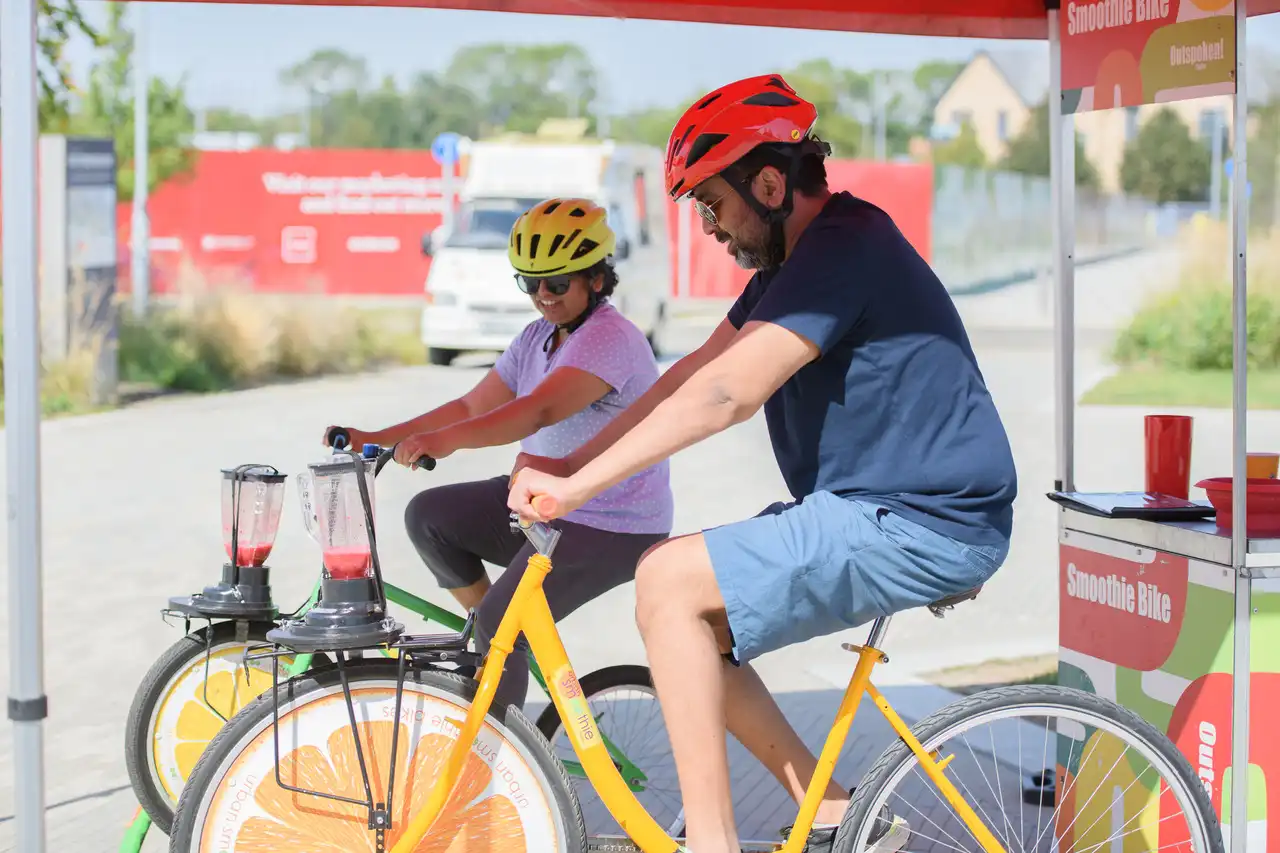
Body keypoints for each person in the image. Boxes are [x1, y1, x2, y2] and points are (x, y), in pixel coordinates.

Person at [508, 75, 1018, 853]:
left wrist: (576, 487)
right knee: (699, 623)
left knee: (667, 580)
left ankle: (711, 842)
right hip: (877, 507)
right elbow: (688, 374)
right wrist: (570, 461)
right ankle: (830, 807)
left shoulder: (844, 247)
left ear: (771, 186)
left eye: (713, 204)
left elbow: (727, 394)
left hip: (922, 519)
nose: (711, 228)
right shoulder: (793, 268)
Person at [325, 196, 674, 711]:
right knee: (431, 518)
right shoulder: (538, 336)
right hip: (546, 506)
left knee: (500, 624)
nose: (542, 296)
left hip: (611, 524)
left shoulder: (610, 339)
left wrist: (442, 442)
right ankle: (495, 644)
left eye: (557, 283)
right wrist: (375, 436)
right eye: (529, 283)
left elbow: (536, 411)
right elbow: (471, 404)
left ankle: (495, 741)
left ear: (596, 279)